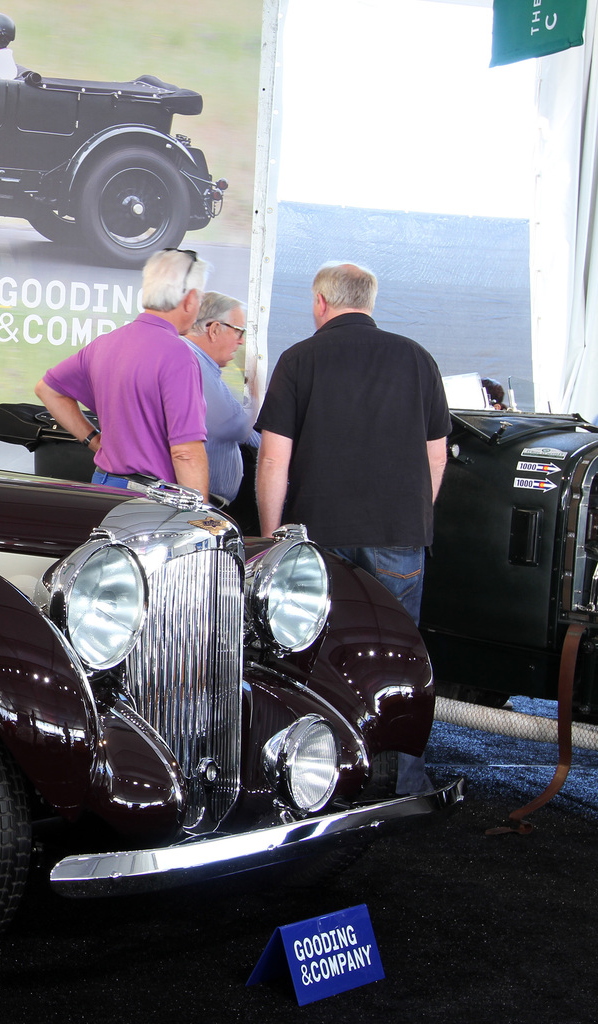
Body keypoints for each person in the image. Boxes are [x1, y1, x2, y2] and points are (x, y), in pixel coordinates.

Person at [254, 261, 450, 794]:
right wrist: (410, 514)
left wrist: (272, 540)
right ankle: (401, 784)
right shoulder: (418, 358)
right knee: (399, 659)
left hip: (317, 537)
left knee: (314, 658)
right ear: (370, 300)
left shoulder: (300, 359)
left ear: (320, 301)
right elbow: (436, 457)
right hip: (399, 534)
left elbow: (273, 460)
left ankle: (319, 781)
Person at [35, 248, 210, 500]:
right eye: (201, 298)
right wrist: (199, 516)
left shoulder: (105, 343)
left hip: (104, 485)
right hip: (151, 499)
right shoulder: (178, 354)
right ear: (191, 298)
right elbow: (186, 453)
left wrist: (94, 441)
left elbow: (47, 390)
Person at [183, 292, 259, 507]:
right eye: (238, 331)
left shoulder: (205, 368)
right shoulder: (193, 363)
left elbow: (240, 425)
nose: (241, 341)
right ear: (215, 329)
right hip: (198, 503)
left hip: (206, 501)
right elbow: (234, 427)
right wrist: (255, 388)